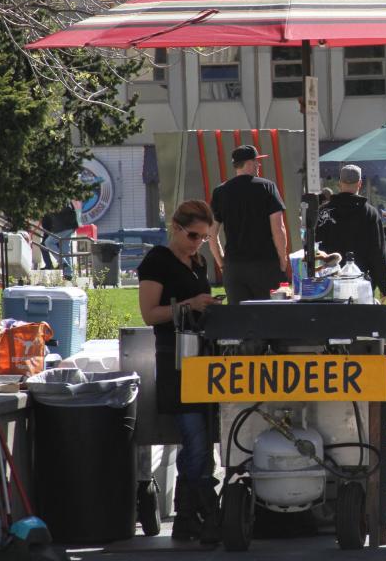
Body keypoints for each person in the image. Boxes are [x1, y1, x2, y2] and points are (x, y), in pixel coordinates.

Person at [137, 200, 223, 543]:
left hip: (199, 357)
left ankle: (190, 515)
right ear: (175, 227)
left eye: (203, 237)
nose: (197, 243)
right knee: (195, 437)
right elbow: (149, 314)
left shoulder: (196, 261)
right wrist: (190, 304)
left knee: (202, 436)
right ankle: (202, 510)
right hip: (175, 358)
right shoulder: (158, 260)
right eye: (192, 235)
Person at [209, 145, 290, 304]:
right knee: (268, 316)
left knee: (240, 320)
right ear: (249, 162)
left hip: (234, 266)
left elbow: (212, 234)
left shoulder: (220, 191)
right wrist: (283, 258)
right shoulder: (267, 186)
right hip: (265, 264)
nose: (258, 165)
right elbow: (278, 228)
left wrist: (222, 263)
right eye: (256, 161)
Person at [316, 164, 386, 299]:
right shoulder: (370, 213)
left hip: (327, 283)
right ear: (360, 184)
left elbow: (315, 247)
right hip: (361, 283)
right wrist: (384, 285)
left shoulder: (323, 212)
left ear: (339, 183)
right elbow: (378, 250)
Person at [41, 201, 80, 280]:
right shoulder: (64, 199)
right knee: (65, 250)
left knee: (48, 242)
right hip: (70, 226)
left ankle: (62, 262)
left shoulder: (57, 199)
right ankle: (68, 274)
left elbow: (61, 211)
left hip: (63, 227)